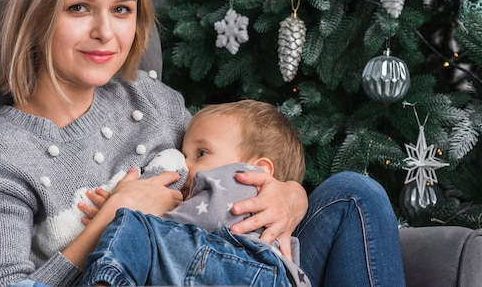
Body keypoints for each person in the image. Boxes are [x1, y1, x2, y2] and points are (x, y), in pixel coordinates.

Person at [0, 0, 309, 287]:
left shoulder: (154, 101)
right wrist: (114, 217)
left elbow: (229, 165)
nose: (105, 33)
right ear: (34, 15)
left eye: (121, 10)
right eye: (79, 8)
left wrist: (292, 195)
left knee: (353, 194)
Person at [81, 99, 311, 286]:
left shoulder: (242, 181)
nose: (185, 165)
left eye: (201, 153)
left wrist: (131, 210)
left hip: (242, 265)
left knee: (134, 225)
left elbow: (205, 219)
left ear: (258, 169)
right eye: (185, 155)